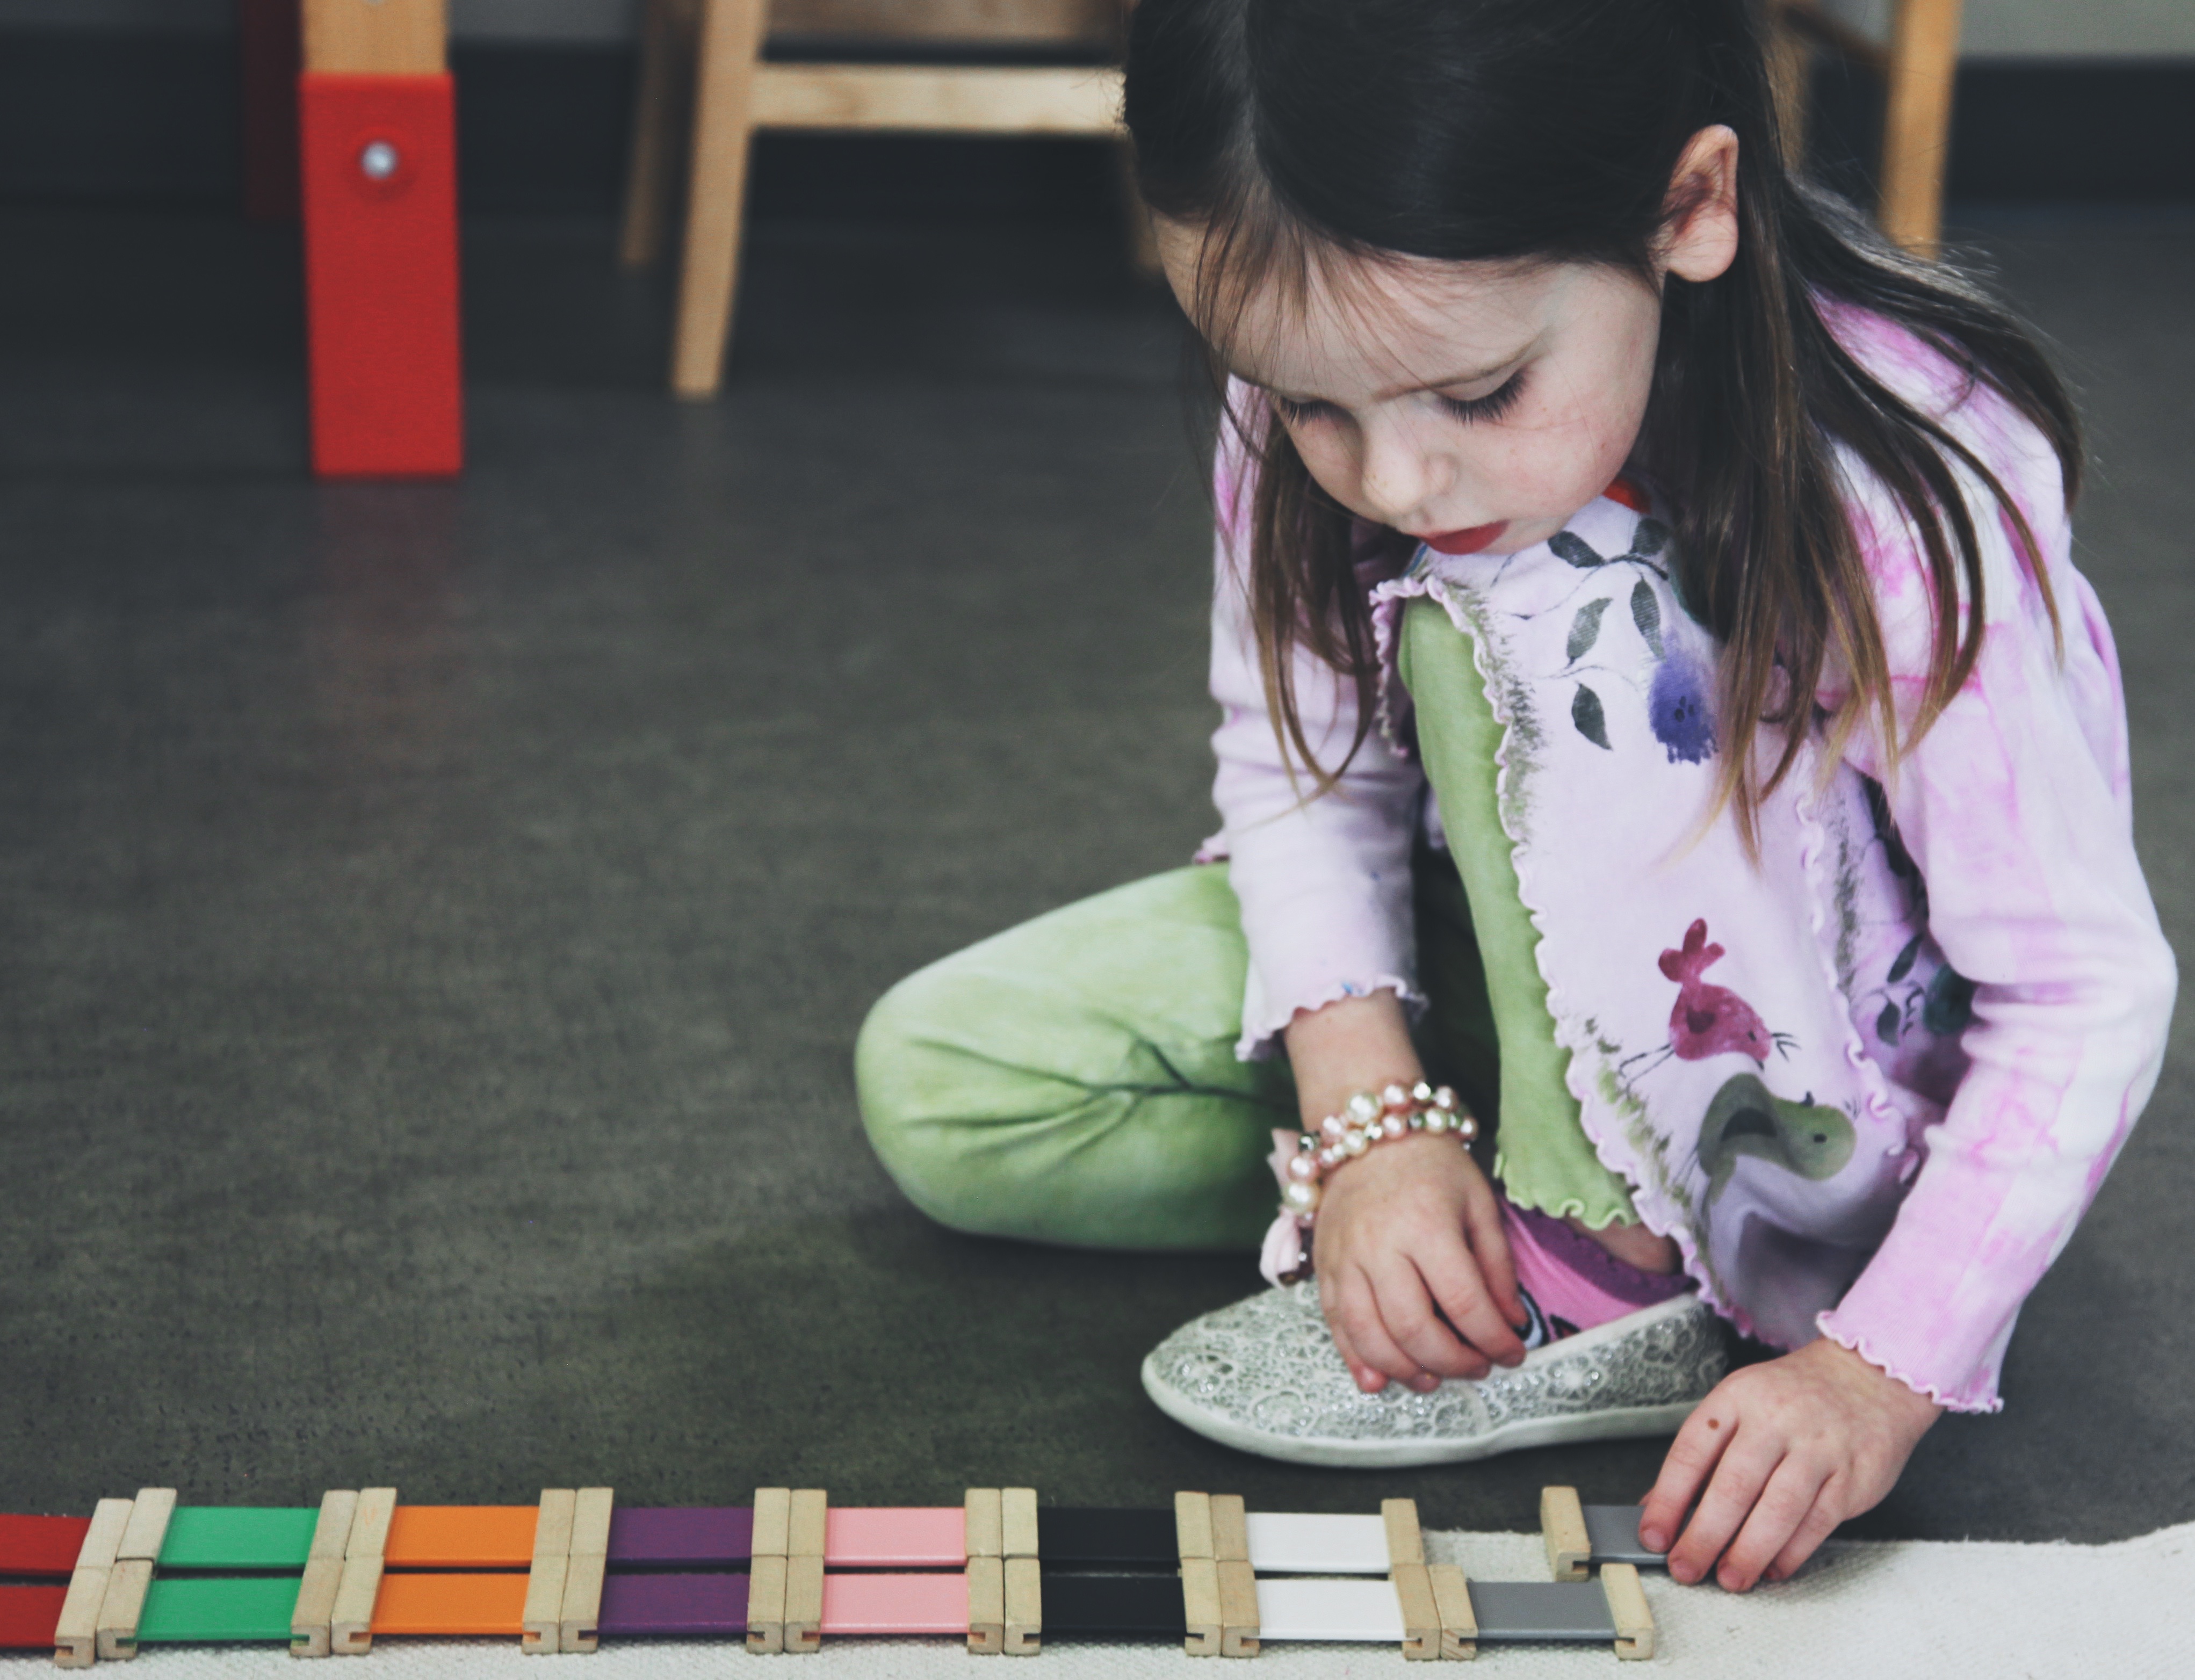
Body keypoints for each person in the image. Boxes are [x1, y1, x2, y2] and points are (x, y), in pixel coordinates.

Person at [854, 0, 2176, 1593]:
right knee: (944, 1085)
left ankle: (1627, 1258)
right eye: (1310, 405)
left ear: (1689, 210)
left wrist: (1875, 1373)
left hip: (1797, 1066)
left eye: (1476, 397)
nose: (1395, 482)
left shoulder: (1905, 487)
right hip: (1495, 939)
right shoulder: (1325, 354)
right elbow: (1296, 762)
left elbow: (2082, 988)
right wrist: (1366, 1123)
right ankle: (1505, 1193)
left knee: (1554, 596)